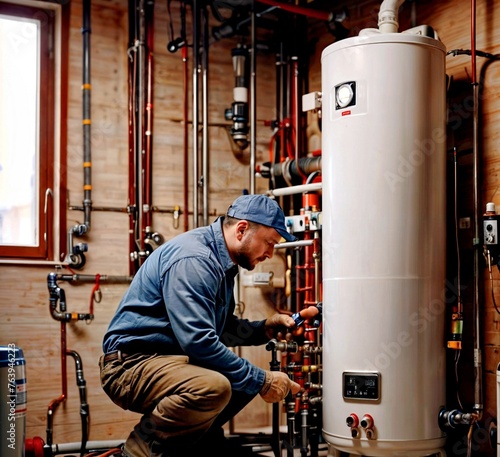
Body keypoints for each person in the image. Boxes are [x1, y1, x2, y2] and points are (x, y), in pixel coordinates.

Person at [99, 194, 302, 457]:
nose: (270, 253)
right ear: (241, 229)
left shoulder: (223, 263)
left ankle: (199, 443)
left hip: (165, 361)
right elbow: (199, 342)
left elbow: (220, 330)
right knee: (213, 386)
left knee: (240, 382)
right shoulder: (195, 260)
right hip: (129, 365)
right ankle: (137, 451)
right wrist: (262, 380)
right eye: (269, 243)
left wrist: (264, 328)